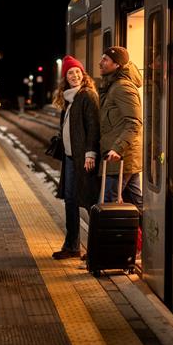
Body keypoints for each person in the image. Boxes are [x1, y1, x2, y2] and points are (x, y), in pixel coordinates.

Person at [52, 55, 100, 260]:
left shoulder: (87, 95)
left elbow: (94, 127)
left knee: (88, 200)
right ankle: (72, 246)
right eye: (70, 73)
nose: (74, 75)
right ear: (65, 77)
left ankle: (97, 248)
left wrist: (90, 153)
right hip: (71, 158)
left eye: (77, 72)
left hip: (84, 158)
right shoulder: (69, 99)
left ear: (83, 75)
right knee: (70, 200)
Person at [98, 46, 143, 209]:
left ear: (116, 65)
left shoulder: (123, 87)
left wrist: (117, 148)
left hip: (120, 157)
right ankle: (144, 234)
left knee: (109, 203)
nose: (100, 62)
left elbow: (134, 122)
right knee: (135, 201)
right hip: (122, 156)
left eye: (105, 59)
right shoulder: (113, 85)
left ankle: (118, 235)